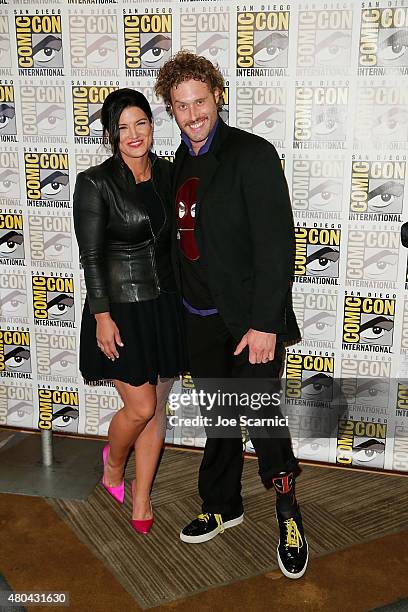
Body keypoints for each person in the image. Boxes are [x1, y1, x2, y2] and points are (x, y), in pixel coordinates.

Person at [155, 52, 308, 578]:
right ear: (170, 110)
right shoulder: (177, 166)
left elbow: (276, 244)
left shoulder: (252, 153)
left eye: (200, 101)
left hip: (248, 322)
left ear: (217, 95)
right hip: (198, 318)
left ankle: (288, 510)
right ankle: (223, 504)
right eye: (181, 106)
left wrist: (264, 322)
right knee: (219, 419)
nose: (193, 114)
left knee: (262, 420)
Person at [73, 88, 185, 535]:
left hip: (166, 306)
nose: (133, 134)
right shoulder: (95, 182)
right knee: (138, 407)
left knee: (157, 408)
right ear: (110, 134)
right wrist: (102, 315)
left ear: (153, 126)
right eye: (122, 127)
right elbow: (92, 256)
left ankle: (142, 497)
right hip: (119, 309)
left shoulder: (170, 174)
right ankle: (114, 464)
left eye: (141, 123)